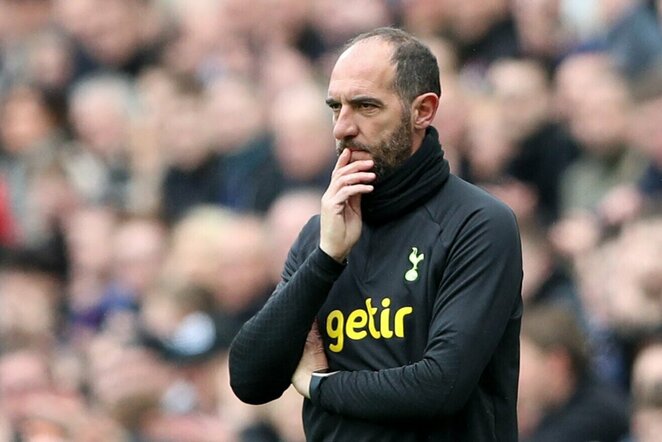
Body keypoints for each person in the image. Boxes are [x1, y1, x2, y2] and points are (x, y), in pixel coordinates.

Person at [229, 27, 523, 441]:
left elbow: (438, 387)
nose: (342, 128)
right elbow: (249, 378)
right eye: (335, 107)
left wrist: (319, 386)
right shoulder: (323, 233)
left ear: (423, 111)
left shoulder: (478, 224)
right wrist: (326, 260)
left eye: (365, 106)